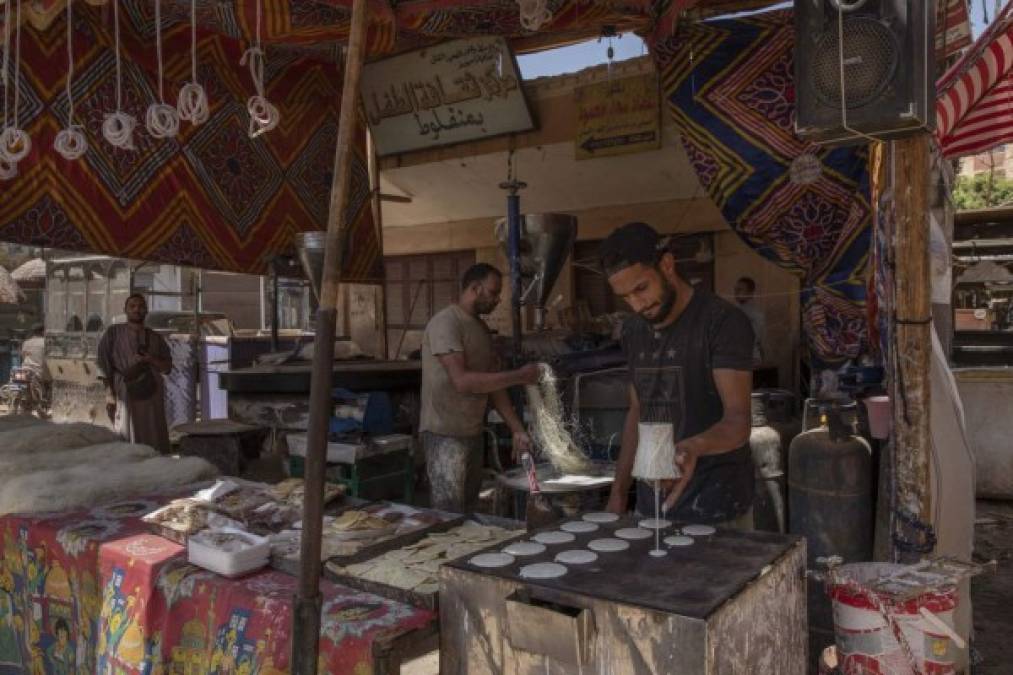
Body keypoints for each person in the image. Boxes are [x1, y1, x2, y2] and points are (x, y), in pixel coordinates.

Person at [599, 222, 756, 528]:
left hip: (717, 504)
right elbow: (638, 410)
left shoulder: (721, 322)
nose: (637, 304)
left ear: (667, 265)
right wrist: (619, 493)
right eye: (626, 297)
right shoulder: (632, 331)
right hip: (652, 505)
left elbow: (738, 421)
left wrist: (688, 449)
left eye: (641, 288)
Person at [420, 263, 540, 513]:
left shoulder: (481, 329)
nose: (497, 300)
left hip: (472, 432)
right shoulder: (446, 323)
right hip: (445, 434)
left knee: (469, 507)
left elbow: (493, 384)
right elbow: (463, 382)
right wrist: (518, 376)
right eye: (494, 292)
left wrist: (517, 429)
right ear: (475, 288)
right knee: (447, 511)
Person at [97, 294, 172, 453]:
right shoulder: (113, 333)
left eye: (141, 306)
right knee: (127, 432)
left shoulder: (155, 337)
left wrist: (151, 359)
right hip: (125, 392)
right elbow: (103, 365)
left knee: (154, 431)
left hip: (152, 394)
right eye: (132, 306)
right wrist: (109, 394)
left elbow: (167, 368)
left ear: (146, 310)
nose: (137, 309)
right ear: (125, 310)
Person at [734, 276, 765, 367]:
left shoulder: (756, 314)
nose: (736, 292)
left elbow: (755, 338)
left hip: (750, 358)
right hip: (736, 357)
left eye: (740, 289)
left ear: (750, 293)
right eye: (735, 289)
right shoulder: (734, 311)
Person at [19, 324, 50, 412]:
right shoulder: (45, 342)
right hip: (38, 371)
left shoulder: (26, 342)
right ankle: (45, 398)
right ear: (43, 332)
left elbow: (23, 355)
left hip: (24, 370)